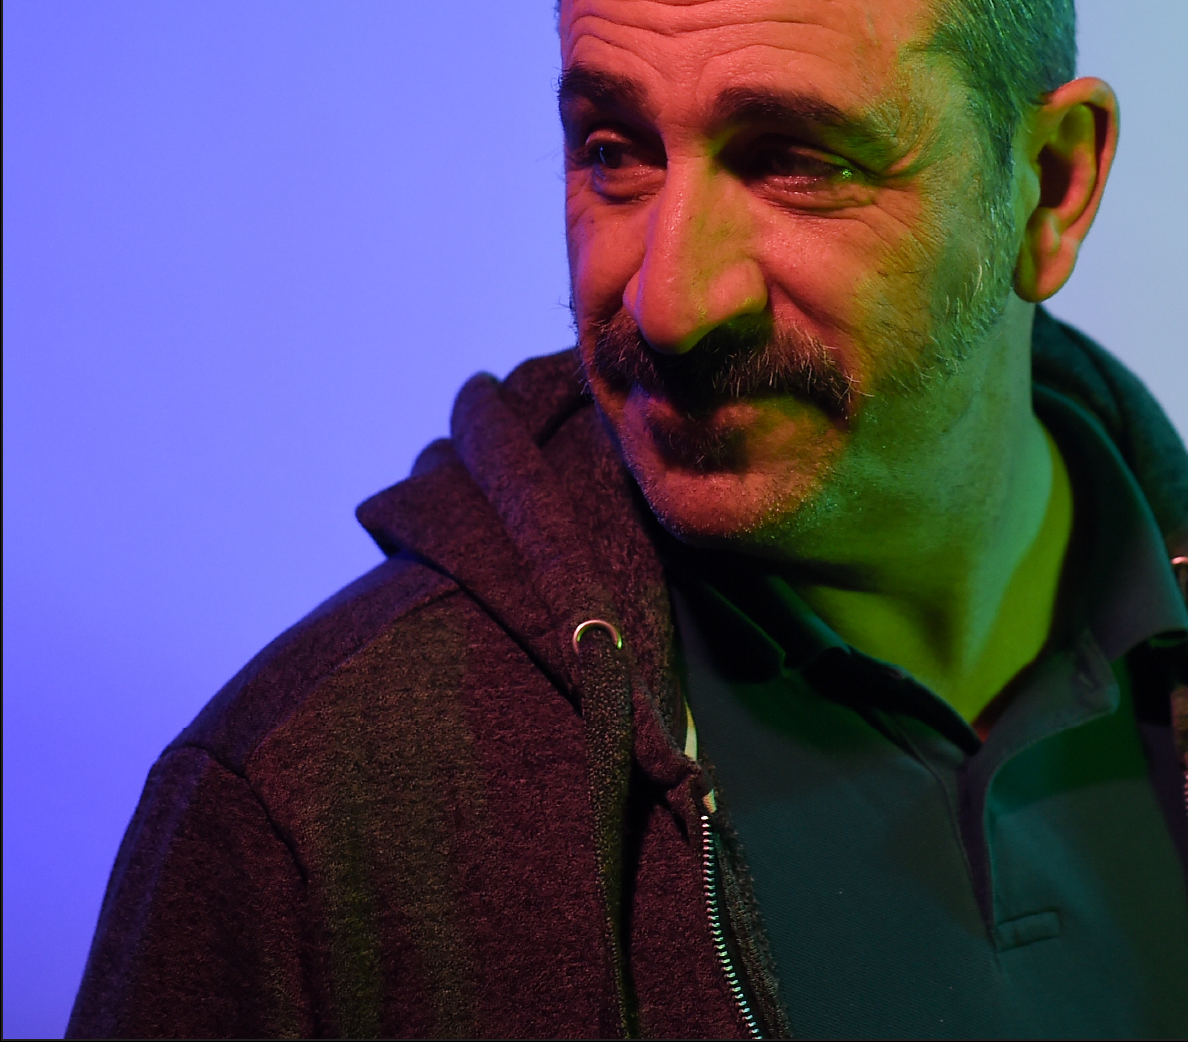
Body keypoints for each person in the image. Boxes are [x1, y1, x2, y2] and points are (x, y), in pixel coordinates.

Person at [68, 0, 1188, 1037]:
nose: (669, 302)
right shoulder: (307, 809)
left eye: (794, 161)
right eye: (613, 151)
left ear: (1052, 184)